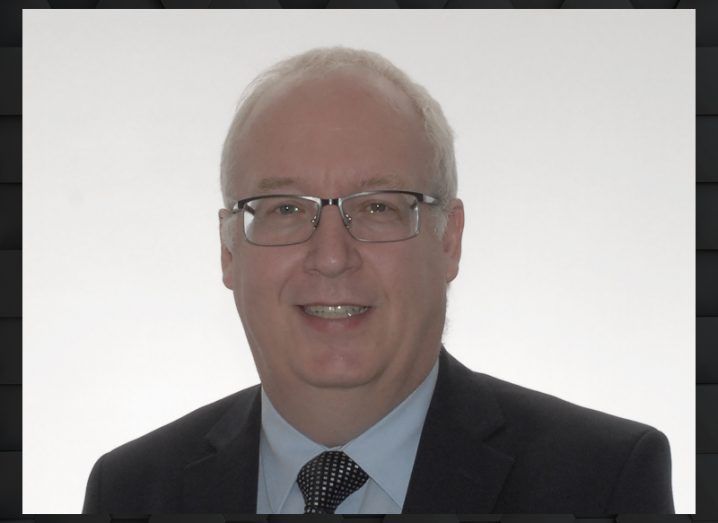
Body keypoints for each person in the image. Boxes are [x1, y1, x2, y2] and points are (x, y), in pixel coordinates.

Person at [83, 47, 674, 515]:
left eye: (378, 207)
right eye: (285, 208)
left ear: (449, 240)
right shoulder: (132, 491)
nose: (332, 256)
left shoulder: (601, 482)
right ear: (228, 251)